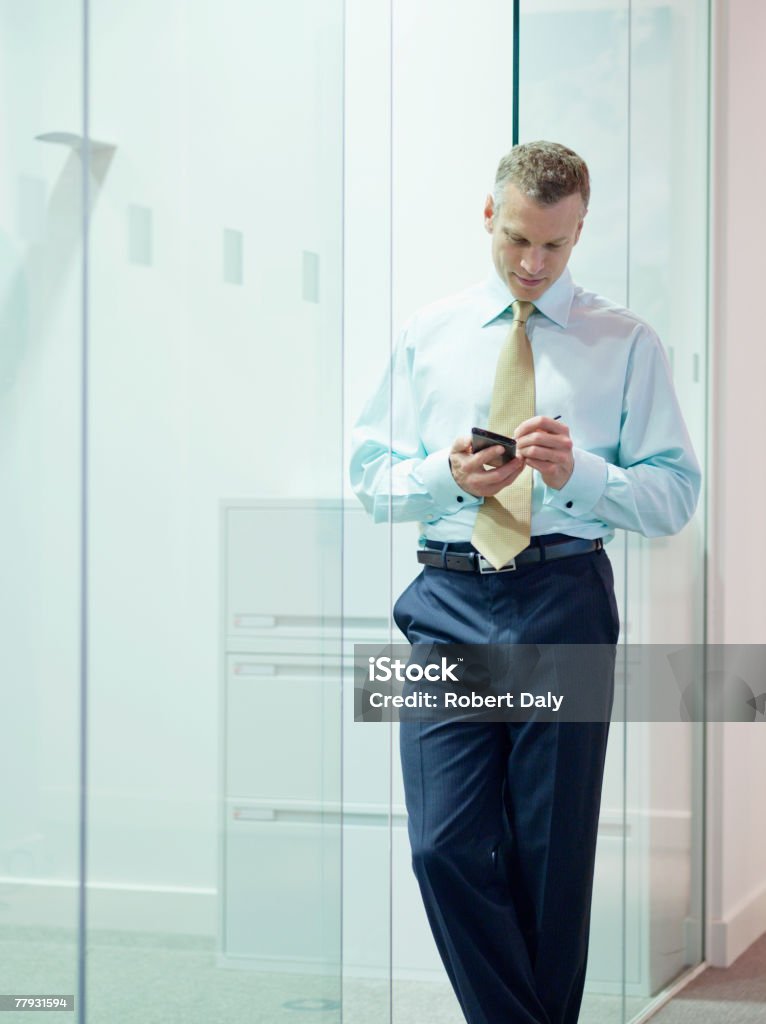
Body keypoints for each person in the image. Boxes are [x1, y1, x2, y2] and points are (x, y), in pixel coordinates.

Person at [349, 141, 700, 1024]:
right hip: (444, 602)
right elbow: (368, 477)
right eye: (517, 240)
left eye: (555, 246)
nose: (533, 264)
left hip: (564, 599)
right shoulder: (427, 336)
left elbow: (673, 497)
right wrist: (442, 476)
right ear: (488, 216)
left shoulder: (627, 343)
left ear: (580, 230)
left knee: (551, 856)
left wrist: (585, 475)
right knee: (442, 846)